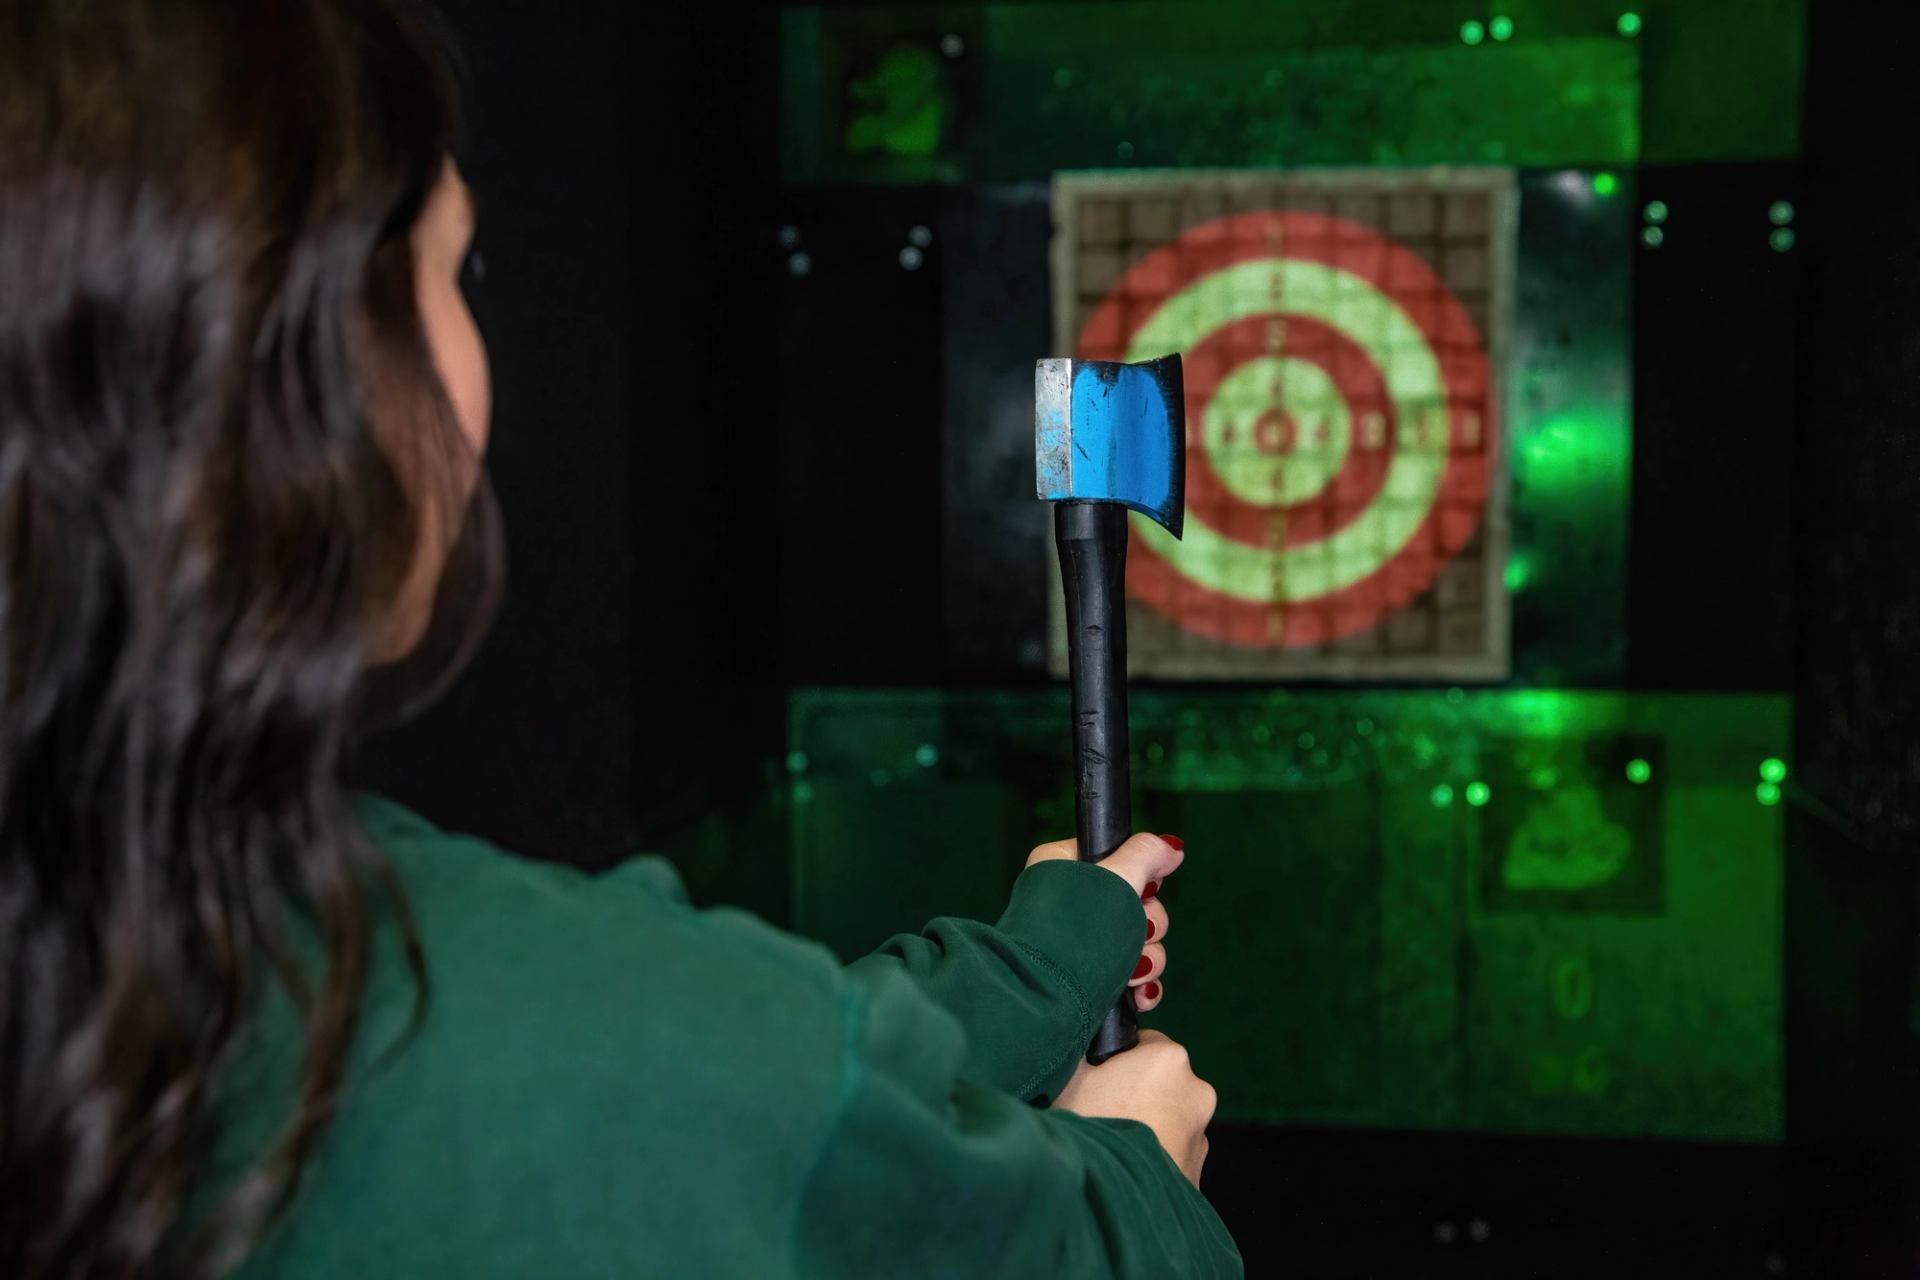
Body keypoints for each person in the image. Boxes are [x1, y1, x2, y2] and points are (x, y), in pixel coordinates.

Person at [0, 1, 1243, 1276]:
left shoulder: (184, 915)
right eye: (455, 273)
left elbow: (722, 1083)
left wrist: (1035, 964)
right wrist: (1131, 1182)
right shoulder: (490, 1013)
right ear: (315, 369)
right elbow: (686, 1089)